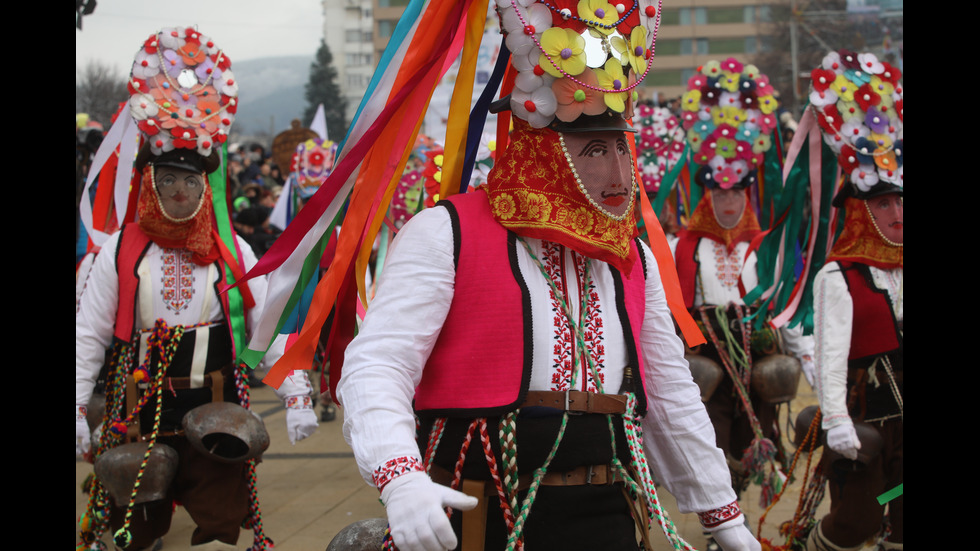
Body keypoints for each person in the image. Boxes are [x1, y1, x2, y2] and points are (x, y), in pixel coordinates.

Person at [335, 4, 760, 550]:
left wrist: (724, 519)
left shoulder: (632, 256)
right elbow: (378, 363)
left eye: (622, 149)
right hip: (480, 512)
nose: (620, 175)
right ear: (544, 148)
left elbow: (670, 393)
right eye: (595, 150)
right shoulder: (446, 233)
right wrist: (399, 476)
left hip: (608, 511)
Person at [75, 26, 317, 551]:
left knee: (221, 523)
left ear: (205, 185)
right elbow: (88, 335)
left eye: (190, 181)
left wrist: (295, 392)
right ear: (148, 183)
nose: (180, 191)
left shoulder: (233, 250)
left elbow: (263, 327)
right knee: (132, 529)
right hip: (139, 407)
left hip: (219, 405)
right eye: (167, 180)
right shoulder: (119, 249)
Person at [670, 58, 814, 551]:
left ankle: (736, 516)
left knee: (757, 439)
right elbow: (676, 307)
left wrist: (785, 341)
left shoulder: (765, 245)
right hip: (709, 356)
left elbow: (784, 303)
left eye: (736, 193)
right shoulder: (686, 245)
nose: (728, 203)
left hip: (755, 351)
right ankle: (719, 525)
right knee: (713, 436)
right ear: (707, 194)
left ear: (746, 194)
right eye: (719, 193)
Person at [804, 49, 903, 551]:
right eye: (883, 202)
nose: (896, 212)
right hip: (865, 423)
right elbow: (829, 356)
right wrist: (837, 419)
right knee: (858, 520)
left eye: (902, 199)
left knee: (902, 519)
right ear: (861, 211)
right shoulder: (837, 275)